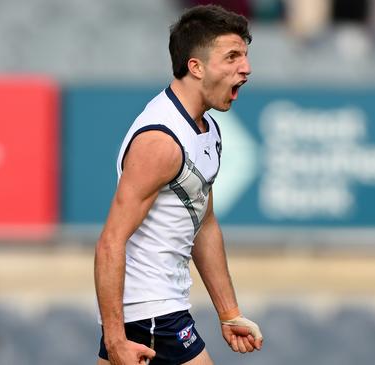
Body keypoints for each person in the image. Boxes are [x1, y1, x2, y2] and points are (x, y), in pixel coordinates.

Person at [94, 4, 263, 365]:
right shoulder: (161, 141)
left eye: (245, 56)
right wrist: (115, 339)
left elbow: (204, 223)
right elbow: (111, 242)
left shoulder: (207, 128)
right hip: (150, 312)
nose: (245, 68)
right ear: (196, 66)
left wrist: (229, 312)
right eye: (232, 56)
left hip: (156, 310)